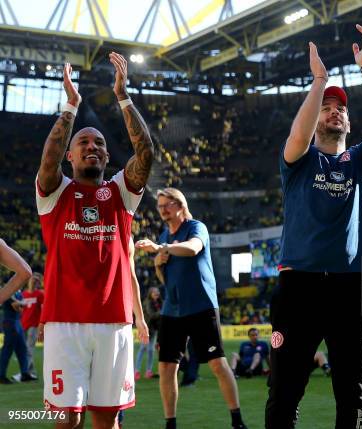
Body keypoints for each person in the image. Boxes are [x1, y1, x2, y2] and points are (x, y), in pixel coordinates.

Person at [266, 24, 362, 429]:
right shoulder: (299, 159)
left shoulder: (358, 160)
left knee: (352, 395)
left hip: (350, 285)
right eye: (326, 106)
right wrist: (319, 82)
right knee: (285, 392)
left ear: (349, 120)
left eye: (340, 107)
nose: (334, 110)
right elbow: (297, 133)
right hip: (298, 285)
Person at [36, 53, 153, 429]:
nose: (92, 147)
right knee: (67, 421)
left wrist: (123, 97)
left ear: (106, 155)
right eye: (83, 143)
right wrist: (71, 107)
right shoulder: (55, 193)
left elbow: (145, 153)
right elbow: (48, 160)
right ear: (71, 156)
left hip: (113, 322)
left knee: (107, 421)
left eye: (99, 143)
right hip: (63, 321)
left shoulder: (121, 192)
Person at [136, 188, 247, 429]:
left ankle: (237, 420)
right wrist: (157, 266)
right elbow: (168, 280)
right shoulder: (166, 233)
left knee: (217, 363)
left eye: (167, 204)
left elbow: (193, 248)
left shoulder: (197, 227)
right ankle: (171, 423)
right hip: (172, 310)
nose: (163, 210)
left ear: (180, 205)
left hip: (201, 306)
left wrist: (160, 247)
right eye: (160, 205)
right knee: (166, 367)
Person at [0, 239, 33, 384]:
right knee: (9, 349)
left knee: (21, 348)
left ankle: (25, 372)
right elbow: (25, 272)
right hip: (10, 320)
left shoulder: (17, 292)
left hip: (15, 320)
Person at [135, 286, 162, 380]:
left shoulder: (159, 302)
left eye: (158, 293)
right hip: (145, 328)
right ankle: (136, 371)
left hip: (154, 329)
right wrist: (161, 312)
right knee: (142, 349)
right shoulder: (147, 303)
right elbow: (151, 314)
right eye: (155, 293)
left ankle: (148, 371)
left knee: (151, 350)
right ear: (150, 294)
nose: (157, 295)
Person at [21, 272, 44, 376]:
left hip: (34, 325)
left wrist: (41, 325)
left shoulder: (39, 294)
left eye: (36, 281)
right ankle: (31, 371)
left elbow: (43, 309)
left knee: (29, 348)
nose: (34, 282)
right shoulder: (24, 294)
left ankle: (26, 372)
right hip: (23, 324)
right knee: (25, 349)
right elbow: (22, 310)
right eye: (33, 280)